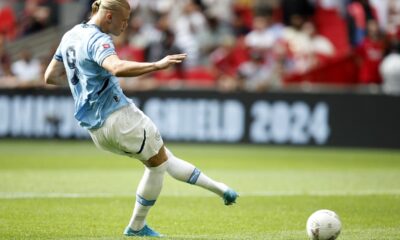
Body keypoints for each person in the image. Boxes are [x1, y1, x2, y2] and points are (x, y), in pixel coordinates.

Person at [43, 0, 237, 237]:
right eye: (124, 20)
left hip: (96, 131)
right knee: (158, 166)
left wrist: (83, 79)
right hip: (119, 117)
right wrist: (157, 65)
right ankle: (136, 227)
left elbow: (50, 76)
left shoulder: (70, 35)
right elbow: (116, 67)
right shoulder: (99, 39)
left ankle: (221, 189)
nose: (126, 25)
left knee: (161, 157)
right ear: (109, 16)